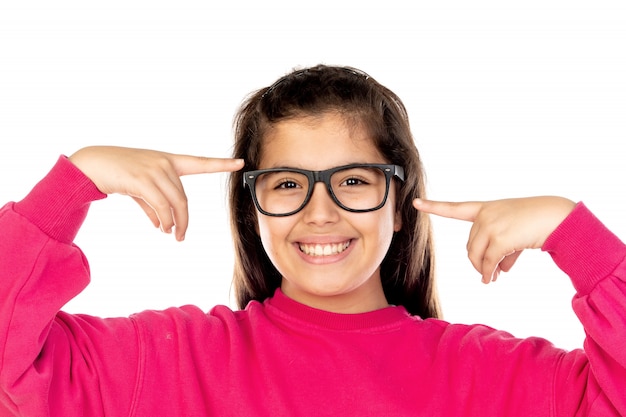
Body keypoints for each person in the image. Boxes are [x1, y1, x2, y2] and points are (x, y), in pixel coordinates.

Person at [0, 65, 624, 416]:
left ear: (401, 206)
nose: (319, 213)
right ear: (253, 210)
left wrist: (582, 243)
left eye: (353, 181)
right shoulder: (160, 361)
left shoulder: (499, 380)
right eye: (287, 183)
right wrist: (67, 188)